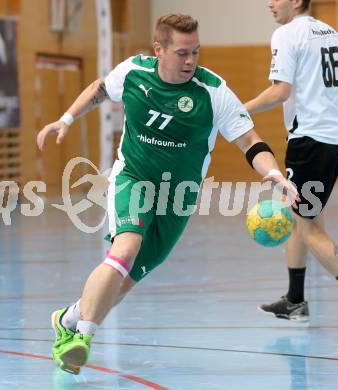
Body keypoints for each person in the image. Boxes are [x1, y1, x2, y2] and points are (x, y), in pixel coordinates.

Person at [37, 13, 298, 374]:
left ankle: (67, 319)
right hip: (134, 179)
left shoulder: (213, 91)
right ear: (158, 50)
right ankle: (82, 337)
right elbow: (100, 87)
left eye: (195, 52)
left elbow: (250, 141)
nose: (190, 61)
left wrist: (274, 174)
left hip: (179, 198)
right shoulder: (134, 72)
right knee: (124, 249)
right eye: (181, 53)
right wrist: (65, 119)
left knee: (125, 281)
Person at [245, 0, 338, 321]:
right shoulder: (329, 32)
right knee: (304, 217)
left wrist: (238, 112)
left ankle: (296, 300)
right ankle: (295, 300)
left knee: (308, 227)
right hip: (332, 137)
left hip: (310, 141)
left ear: (297, 0)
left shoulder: (287, 34)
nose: (269, 3)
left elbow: (280, 92)